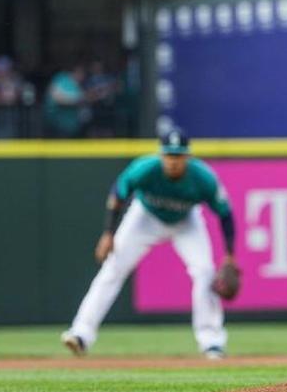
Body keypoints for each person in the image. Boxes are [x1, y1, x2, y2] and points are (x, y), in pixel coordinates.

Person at [60, 129, 236, 359]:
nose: (173, 161)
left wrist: (230, 255)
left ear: (188, 157)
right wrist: (108, 233)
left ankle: (212, 342)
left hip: (186, 222)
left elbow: (225, 214)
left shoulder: (203, 178)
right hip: (144, 218)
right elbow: (118, 193)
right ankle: (81, 334)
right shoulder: (145, 168)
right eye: (169, 155)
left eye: (179, 156)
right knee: (113, 269)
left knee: (204, 272)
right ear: (161, 155)